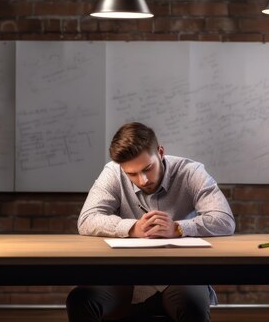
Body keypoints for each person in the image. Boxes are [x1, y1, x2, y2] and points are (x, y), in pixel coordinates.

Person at [66, 122, 235, 322]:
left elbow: (224, 219)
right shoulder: (113, 172)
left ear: (160, 152)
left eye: (148, 168)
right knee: (80, 301)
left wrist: (178, 228)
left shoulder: (191, 172)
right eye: (132, 174)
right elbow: (87, 219)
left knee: (193, 307)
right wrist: (131, 228)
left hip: (180, 275)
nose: (143, 180)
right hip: (126, 276)